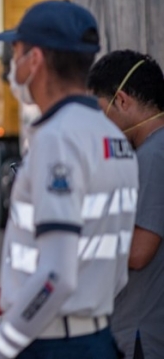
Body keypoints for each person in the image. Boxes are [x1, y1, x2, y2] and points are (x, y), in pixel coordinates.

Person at [0, 0, 139, 359]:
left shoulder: (57, 139)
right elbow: (116, 269)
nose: (11, 67)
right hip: (97, 336)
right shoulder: (114, 139)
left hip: (51, 343)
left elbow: (55, 276)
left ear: (35, 60)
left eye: (15, 52)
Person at [87, 50, 164, 359]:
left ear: (122, 100)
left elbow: (138, 253)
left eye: (100, 111)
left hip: (142, 332)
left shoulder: (153, 156)